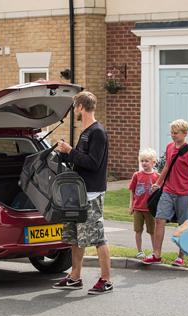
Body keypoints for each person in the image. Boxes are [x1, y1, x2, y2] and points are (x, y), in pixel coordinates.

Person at [52, 91, 113, 295]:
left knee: (98, 238)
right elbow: (79, 161)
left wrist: (70, 151)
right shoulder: (85, 131)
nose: (73, 110)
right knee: (76, 237)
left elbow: (93, 163)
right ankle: (75, 276)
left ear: (80, 107)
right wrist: (64, 155)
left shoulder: (97, 132)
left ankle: (106, 280)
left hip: (92, 194)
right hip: (78, 193)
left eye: (74, 106)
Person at [142, 119, 188, 267]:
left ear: (185, 133)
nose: (173, 135)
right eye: (172, 133)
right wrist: (158, 184)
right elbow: (166, 167)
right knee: (159, 219)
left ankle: (181, 256)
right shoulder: (169, 147)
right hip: (168, 190)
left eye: (176, 133)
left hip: (184, 193)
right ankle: (156, 254)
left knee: (183, 224)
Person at [129, 148, 159, 259]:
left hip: (150, 209)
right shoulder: (136, 175)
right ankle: (139, 251)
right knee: (138, 230)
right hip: (138, 208)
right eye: (142, 161)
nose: (144, 163)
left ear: (153, 162)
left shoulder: (157, 176)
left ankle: (155, 251)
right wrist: (131, 205)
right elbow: (132, 191)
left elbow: (160, 193)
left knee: (152, 231)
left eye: (147, 161)